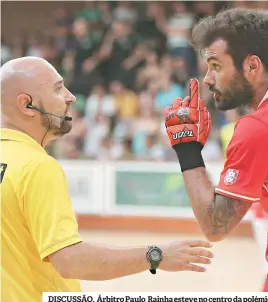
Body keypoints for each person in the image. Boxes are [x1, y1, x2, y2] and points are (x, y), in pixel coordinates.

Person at [0, 57, 214, 302]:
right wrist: (157, 255)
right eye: (58, 89)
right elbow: (70, 261)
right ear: (27, 105)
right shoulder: (36, 167)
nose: (71, 97)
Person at [164, 8, 268, 292]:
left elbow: (216, 226)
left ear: (252, 66)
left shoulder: (260, 126)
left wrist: (187, 149)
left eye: (215, 66)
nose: (208, 80)